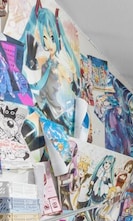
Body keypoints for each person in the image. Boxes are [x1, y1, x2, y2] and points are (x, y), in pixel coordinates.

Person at [20, 0, 81, 133]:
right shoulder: (46, 62)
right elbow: (40, 85)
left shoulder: (59, 63)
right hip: (44, 103)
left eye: (51, 38)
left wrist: (71, 81)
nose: (47, 44)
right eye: (44, 38)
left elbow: (66, 77)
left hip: (54, 107)